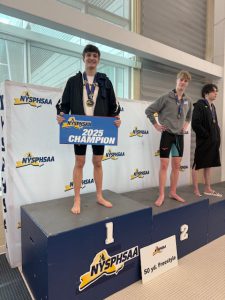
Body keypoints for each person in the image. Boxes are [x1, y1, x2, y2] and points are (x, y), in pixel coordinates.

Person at [56, 44, 121, 214]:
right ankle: (77, 199)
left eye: (95, 55)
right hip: (79, 128)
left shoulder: (105, 81)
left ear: (98, 59)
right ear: (83, 58)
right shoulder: (73, 81)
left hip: (100, 128)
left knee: (97, 162)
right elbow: (64, 105)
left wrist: (116, 119)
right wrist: (61, 115)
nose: (92, 58)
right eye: (89, 55)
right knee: (80, 162)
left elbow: (114, 106)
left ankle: (99, 196)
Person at [145, 71, 192, 207]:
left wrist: (186, 125)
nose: (183, 83)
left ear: (187, 84)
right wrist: (156, 125)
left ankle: (173, 192)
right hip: (167, 135)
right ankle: (161, 194)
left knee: (176, 166)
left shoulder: (188, 100)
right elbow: (149, 110)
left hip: (179, 137)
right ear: (176, 80)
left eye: (185, 81)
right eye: (181, 80)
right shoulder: (166, 97)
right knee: (164, 165)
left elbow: (189, 116)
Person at [192, 83, 222, 197]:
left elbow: (215, 124)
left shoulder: (212, 107)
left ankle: (208, 188)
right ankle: (195, 189)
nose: (216, 94)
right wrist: (206, 135)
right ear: (206, 93)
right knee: (197, 165)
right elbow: (195, 124)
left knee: (208, 164)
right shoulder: (199, 105)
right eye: (214, 91)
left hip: (212, 142)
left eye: (216, 91)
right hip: (203, 141)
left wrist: (216, 137)